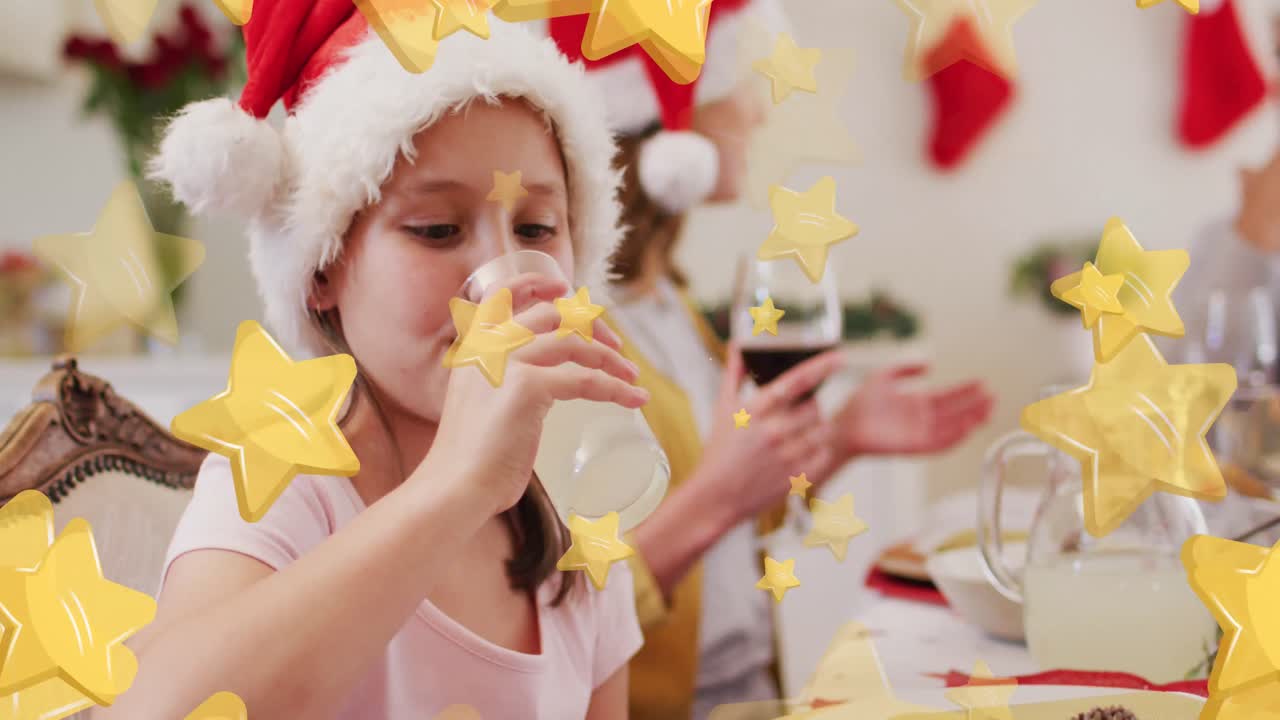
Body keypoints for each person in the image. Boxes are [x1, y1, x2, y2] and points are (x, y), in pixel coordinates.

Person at [102, 3, 646, 718]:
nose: (504, 275)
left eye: (537, 228)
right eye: (438, 229)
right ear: (323, 267)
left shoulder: (576, 519)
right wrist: (456, 485)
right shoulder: (284, 484)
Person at [545, 5, 995, 719]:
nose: (755, 111)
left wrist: (843, 436)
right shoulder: (569, 332)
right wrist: (719, 495)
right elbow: (552, 610)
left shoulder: (670, 303)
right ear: (660, 130)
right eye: (735, 84)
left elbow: (729, 511)